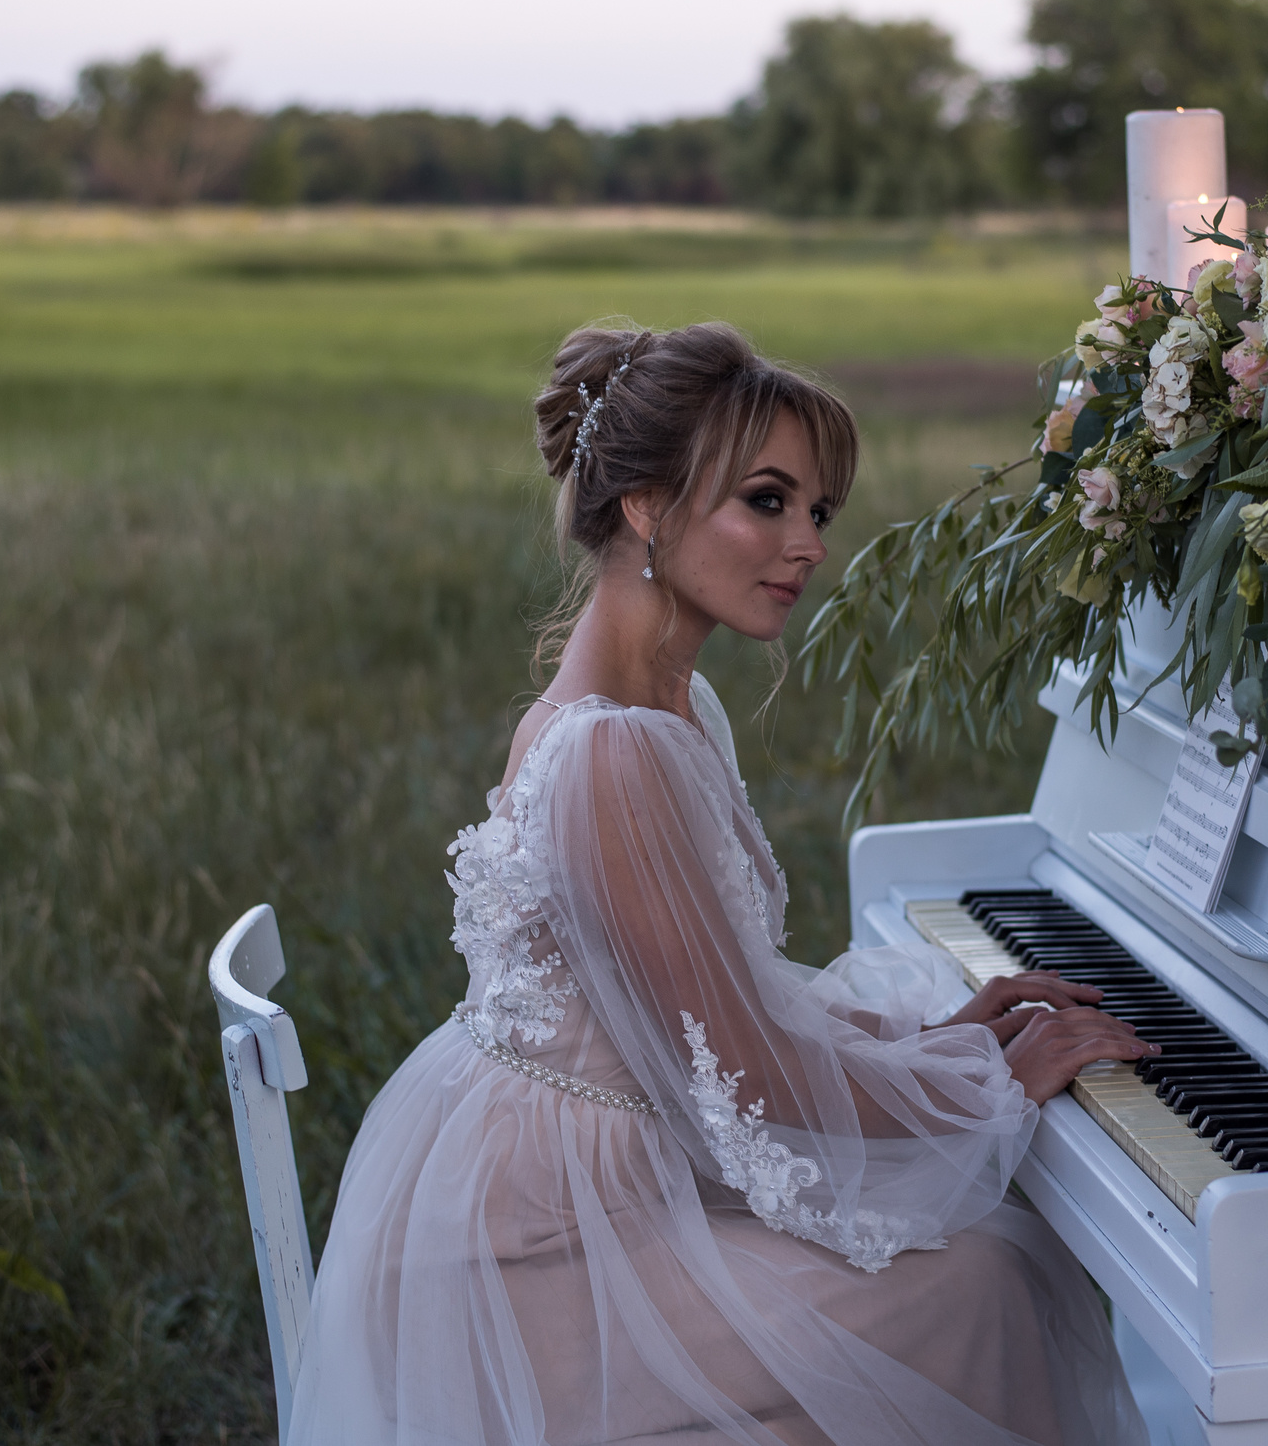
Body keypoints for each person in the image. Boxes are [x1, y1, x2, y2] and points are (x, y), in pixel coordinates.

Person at [289, 322, 1157, 1446]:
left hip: (596, 1178)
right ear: (648, 505)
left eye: (819, 511)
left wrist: (942, 1041)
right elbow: (744, 1070)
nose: (808, 545)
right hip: (538, 1253)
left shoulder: (667, 708)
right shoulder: (613, 750)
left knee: (980, 1264)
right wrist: (981, 1081)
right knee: (986, 1280)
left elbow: (718, 996)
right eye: (768, 501)